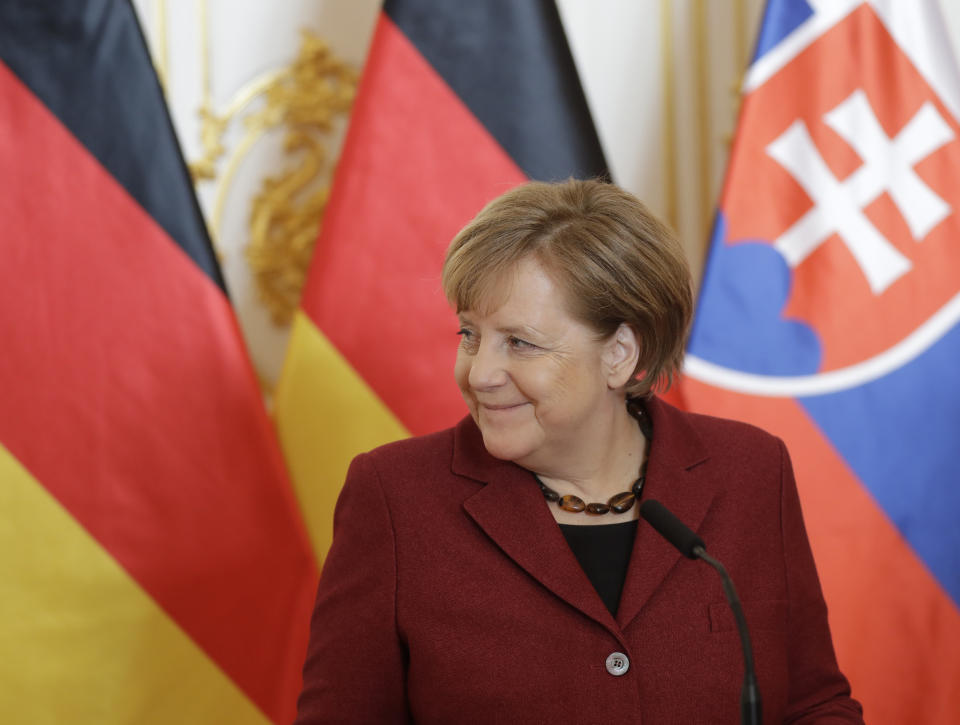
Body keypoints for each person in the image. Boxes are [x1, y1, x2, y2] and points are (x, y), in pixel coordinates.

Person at [294, 179, 863, 724]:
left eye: (519, 342)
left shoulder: (751, 471)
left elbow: (813, 704)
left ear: (619, 354)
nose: (480, 372)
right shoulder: (395, 498)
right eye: (469, 335)